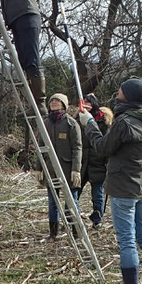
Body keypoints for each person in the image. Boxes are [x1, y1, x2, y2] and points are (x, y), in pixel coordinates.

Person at [78, 78, 142, 284]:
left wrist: (89, 124)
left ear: (128, 96)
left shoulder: (124, 122)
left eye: (121, 90)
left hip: (123, 189)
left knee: (126, 239)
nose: (117, 91)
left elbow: (103, 147)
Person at [32, 92, 82, 240]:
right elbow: (40, 146)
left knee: (71, 202)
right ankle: (53, 233)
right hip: (50, 169)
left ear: (64, 105)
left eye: (57, 100)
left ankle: (76, 232)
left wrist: (76, 169)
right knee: (52, 202)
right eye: (52, 100)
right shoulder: (45, 123)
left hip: (68, 169)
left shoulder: (71, 123)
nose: (53, 102)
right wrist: (38, 167)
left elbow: (77, 147)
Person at [78, 93, 112, 229]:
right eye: (83, 102)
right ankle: (71, 218)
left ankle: (97, 219)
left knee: (97, 193)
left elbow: (106, 143)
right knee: (75, 191)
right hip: (83, 162)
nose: (85, 105)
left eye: (88, 102)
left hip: (98, 163)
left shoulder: (104, 122)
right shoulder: (78, 120)